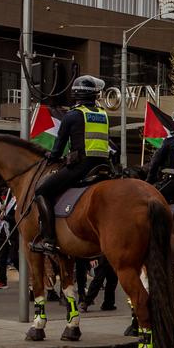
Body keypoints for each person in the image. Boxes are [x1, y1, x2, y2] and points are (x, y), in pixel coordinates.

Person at [31, 75, 112, 254]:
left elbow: (58, 149)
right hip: (103, 166)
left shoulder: (73, 115)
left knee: (41, 191)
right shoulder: (103, 115)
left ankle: (48, 240)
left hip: (81, 167)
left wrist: (50, 156)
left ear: (76, 95)